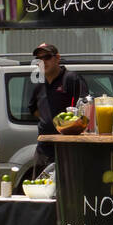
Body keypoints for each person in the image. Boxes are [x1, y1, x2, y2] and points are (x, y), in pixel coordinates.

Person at [28, 42, 87, 174]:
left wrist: (66, 126)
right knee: (39, 191)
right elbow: (34, 110)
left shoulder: (71, 78)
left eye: (47, 57)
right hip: (43, 149)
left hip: (67, 148)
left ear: (57, 58)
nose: (43, 61)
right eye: (39, 59)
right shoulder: (39, 84)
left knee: (66, 192)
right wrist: (49, 122)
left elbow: (85, 108)